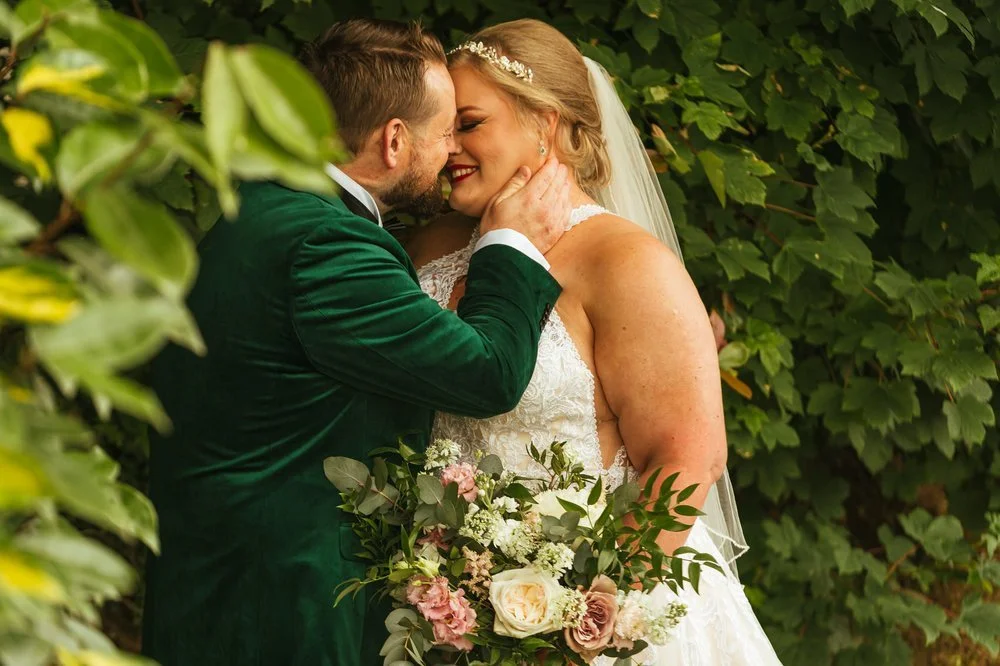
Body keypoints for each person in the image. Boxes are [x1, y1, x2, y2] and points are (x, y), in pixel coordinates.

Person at [142, 18, 573, 666]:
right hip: (279, 616)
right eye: (448, 126)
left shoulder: (266, 208)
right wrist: (510, 243)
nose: (454, 146)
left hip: (219, 594)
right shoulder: (327, 246)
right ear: (396, 140)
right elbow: (488, 373)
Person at [408, 19, 783, 664]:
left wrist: (582, 616)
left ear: (544, 124)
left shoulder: (625, 263)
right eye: (444, 130)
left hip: (595, 616)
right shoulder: (429, 246)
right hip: (440, 615)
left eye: (468, 124)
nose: (447, 149)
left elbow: (686, 459)